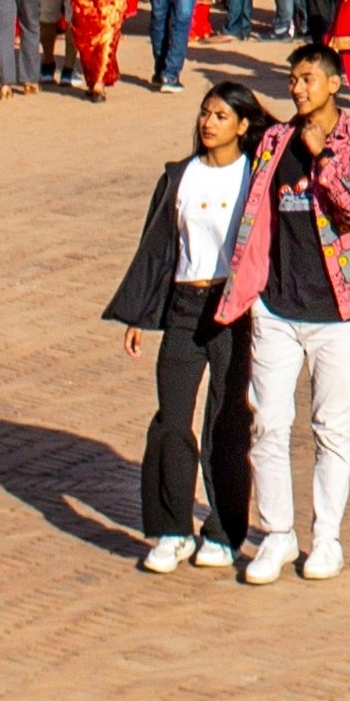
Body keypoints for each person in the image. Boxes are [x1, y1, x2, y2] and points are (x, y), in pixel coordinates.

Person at [221, 39, 350, 582]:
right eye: (293, 79)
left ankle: (326, 539)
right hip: (277, 307)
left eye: (307, 79)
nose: (296, 88)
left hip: (339, 312)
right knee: (268, 425)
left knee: (331, 428)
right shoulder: (274, 142)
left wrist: (323, 156)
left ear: (333, 84)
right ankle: (278, 534)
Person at [105, 83, 271, 571]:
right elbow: (156, 249)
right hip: (183, 306)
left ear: (243, 125)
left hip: (233, 312)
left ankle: (223, 532)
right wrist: (140, 315)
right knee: (171, 420)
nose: (208, 123)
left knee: (226, 419)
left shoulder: (255, 178)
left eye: (221, 116)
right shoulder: (179, 176)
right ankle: (171, 530)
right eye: (205, 113)